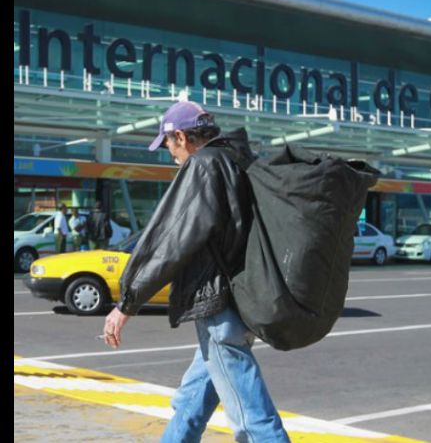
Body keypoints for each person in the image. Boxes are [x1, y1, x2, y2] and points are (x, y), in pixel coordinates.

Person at [101, 101, 290, 443]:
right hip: (244, 302)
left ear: (181, 136)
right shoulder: (241, 161)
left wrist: (126, 304)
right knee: (191, 402)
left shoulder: (204, 165)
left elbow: (170, 240)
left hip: (219, 308)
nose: (169, 153)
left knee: (252, 420)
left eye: (168, 144)